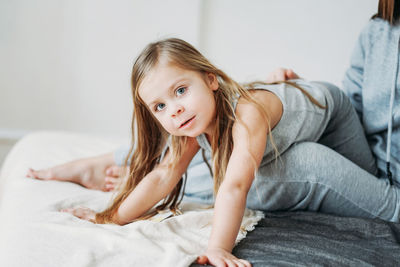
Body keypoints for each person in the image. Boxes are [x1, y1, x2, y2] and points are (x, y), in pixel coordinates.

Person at [27, 37, 400, 267]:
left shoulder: (248, 113)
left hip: (331, 117)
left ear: (211, 79)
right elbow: (163, 175)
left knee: (248, 173)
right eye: (159, 106)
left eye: (179, 91)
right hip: (275, 127)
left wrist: (218, 248)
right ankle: (109, 163)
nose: (172, 109)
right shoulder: (190, 122)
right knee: (216, 165)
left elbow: (236, 186)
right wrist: (110, 218)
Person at [269, 0, 400, 186]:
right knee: (290, 159)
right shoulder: (374, 33)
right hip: (370, 173)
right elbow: (350, 115)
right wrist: (305, 96)